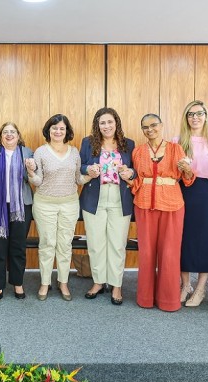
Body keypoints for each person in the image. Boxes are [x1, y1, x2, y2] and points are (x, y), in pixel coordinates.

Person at [131, 114, 195, 312]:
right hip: (144, 204)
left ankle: (168, 300)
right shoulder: (138, 151)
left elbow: (188, 179)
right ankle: (145, 298)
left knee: (169, 253)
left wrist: (187, 170)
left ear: (162, 125)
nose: (150, 130)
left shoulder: (176, 149)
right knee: (147, 252)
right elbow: (137, 180)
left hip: (172, 205)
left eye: (153, 125)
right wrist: (126, 177)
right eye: (145, 127)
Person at [28, 114, 90, 302]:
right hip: (45, 204)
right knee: (47, 244)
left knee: (64, 244)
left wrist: (91, 176)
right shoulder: (40, 152)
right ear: (49, 130)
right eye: (54, 128)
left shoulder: (74, 152)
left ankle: (63, 282)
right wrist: (30, 171)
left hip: (69, 203)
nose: (58, 131)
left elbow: (78, 179)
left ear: (67, 131)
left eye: (62, 128)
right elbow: (37, 181)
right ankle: (45, 282)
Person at [172, 101, 208, 307]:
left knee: (204, 238)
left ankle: (201, 287)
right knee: (182, 237)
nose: (195, 117)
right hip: (182, 191)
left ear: (206, 116)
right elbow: (172, 172)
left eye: (199, 113)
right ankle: (185, 285)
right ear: (186, 118)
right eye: (190, 114)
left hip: (206, 191)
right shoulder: (177, 140)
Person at [78, 108, 136, 305]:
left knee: (117, 244)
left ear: (116, 123)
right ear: (97, 125)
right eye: (102, 123)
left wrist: (130, 172)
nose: (106, 126)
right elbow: (81, 166)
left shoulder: (128, 144)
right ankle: (98, 281)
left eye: (110, 122)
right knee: (95, 243)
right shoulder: (88, 142)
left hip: (120, 198)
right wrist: (89, 169)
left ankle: (116, 285)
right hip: (95, 197)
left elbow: (135, 170)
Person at [0, 122, 34, 300]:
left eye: (13, 132)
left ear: (18, 135)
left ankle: (18, 283)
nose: (9, 135)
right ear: (0, 136)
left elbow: (31, 178)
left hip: (21, 206)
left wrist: (32, 169)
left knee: (18, 246)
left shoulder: (27, 152)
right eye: (5, 132)